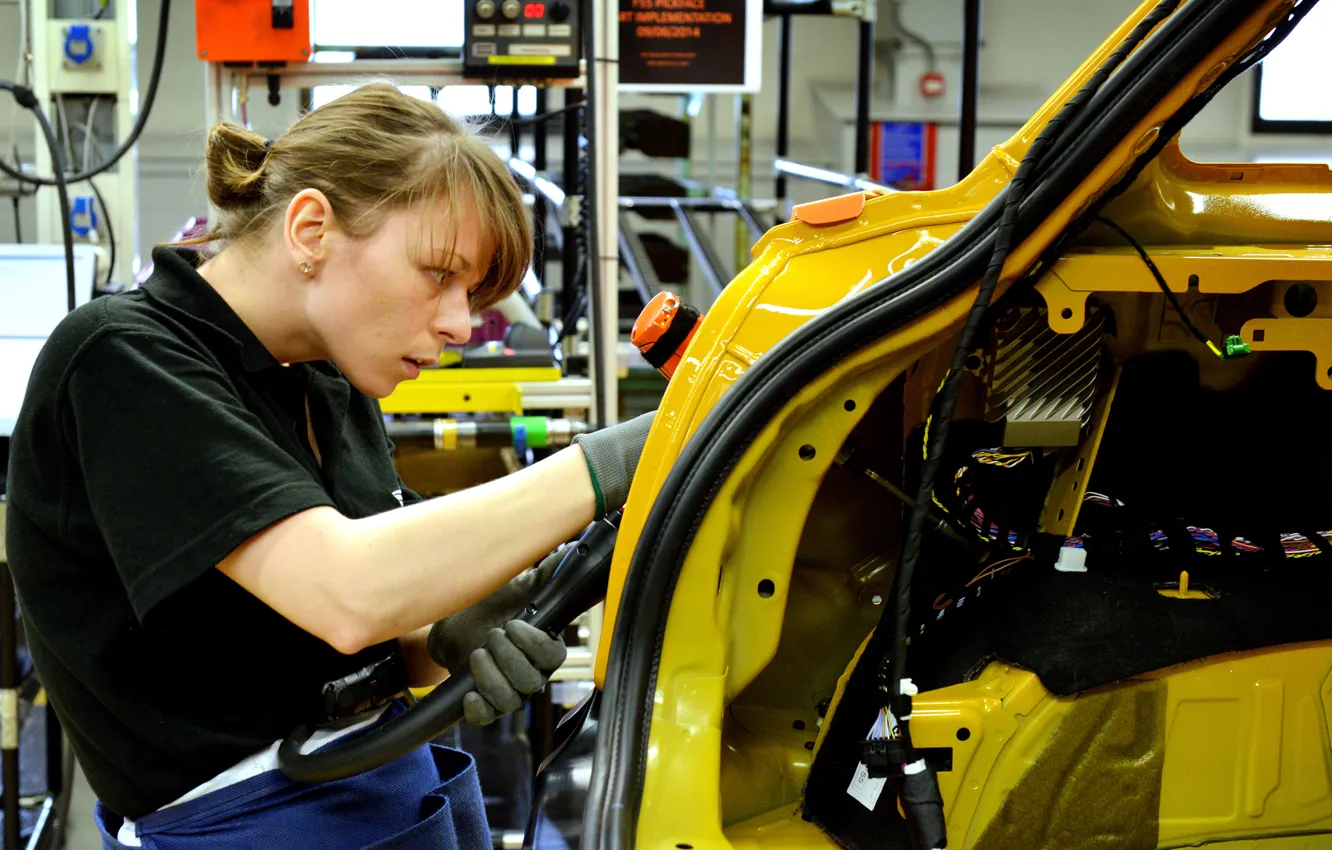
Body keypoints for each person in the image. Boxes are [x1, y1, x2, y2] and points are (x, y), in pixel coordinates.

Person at [3, 83, 655, 849]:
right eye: (439, 273)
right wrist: (611, 462)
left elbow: (351, 624)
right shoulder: (123, 360)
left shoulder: (323, 378)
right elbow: (349, 590)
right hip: (247, 824)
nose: (457, 323)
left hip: (381, 784)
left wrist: (445, 633)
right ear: (311, 229)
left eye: (471, 293)